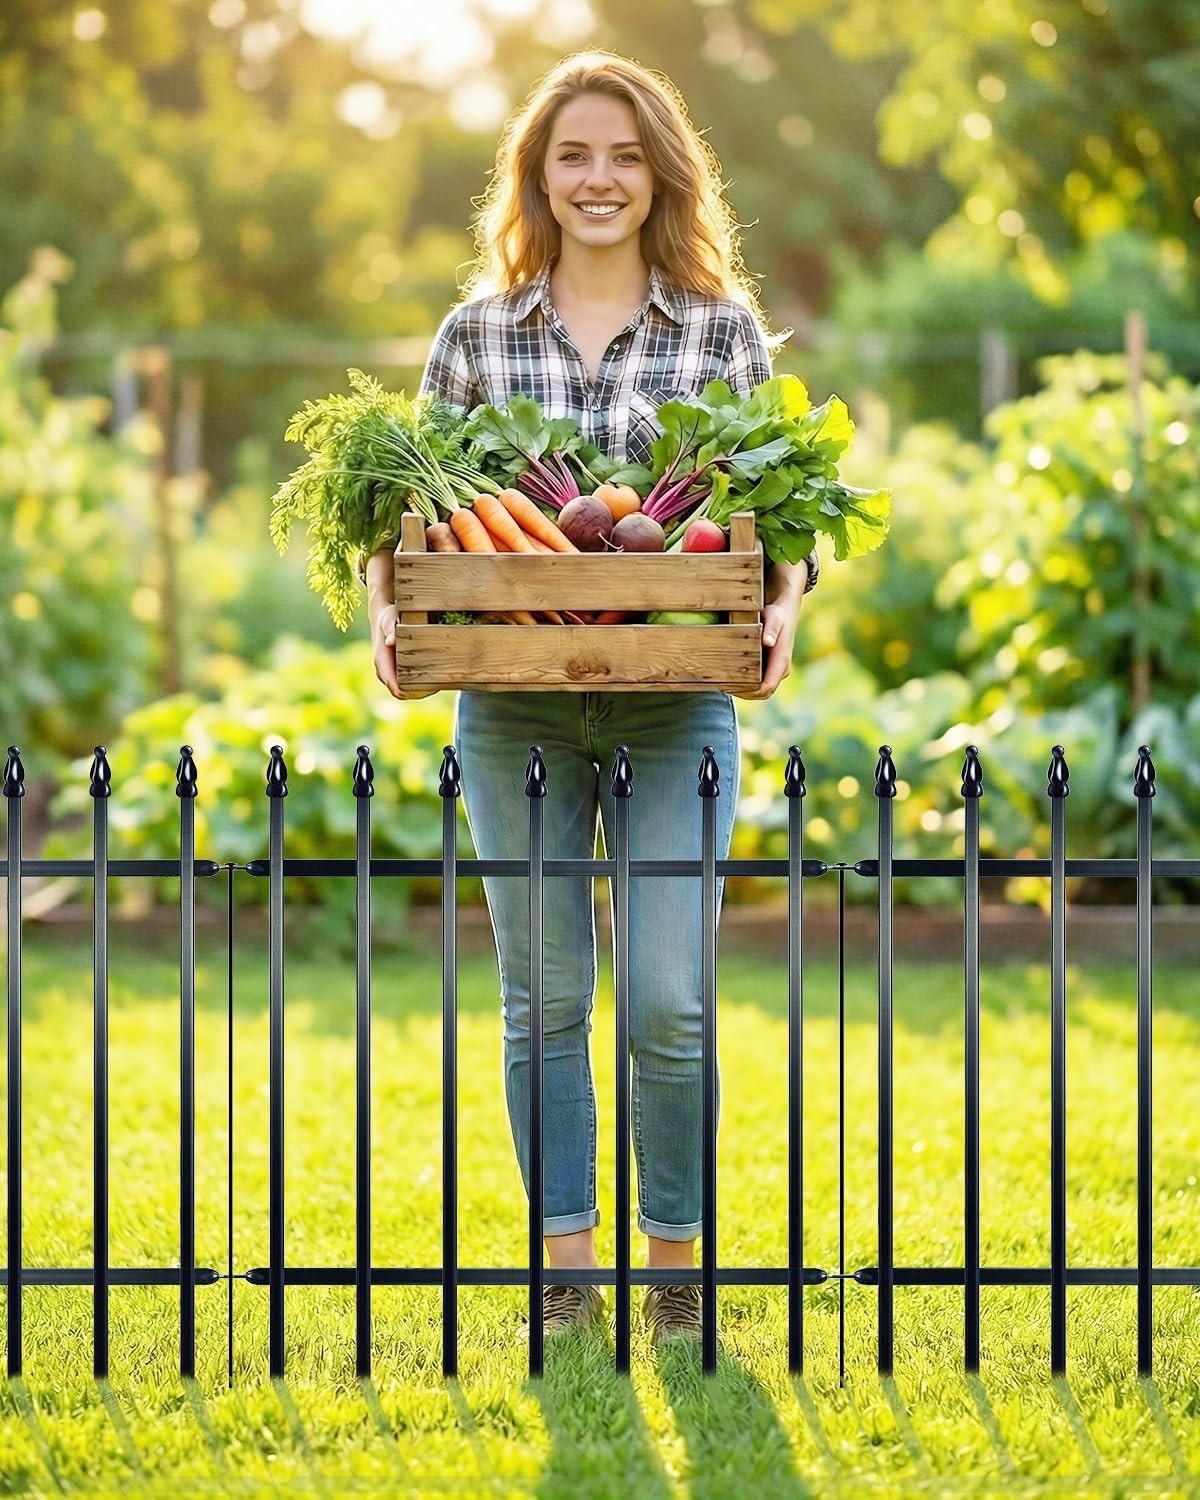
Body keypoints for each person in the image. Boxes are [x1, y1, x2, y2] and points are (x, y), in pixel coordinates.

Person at [363, 50, 818, 1347]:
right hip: (513, 698)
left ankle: (675, 1273)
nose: (600, 178)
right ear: (538, 176)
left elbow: (775, 517)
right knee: (547, 995)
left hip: (678, 700)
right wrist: (390, 603)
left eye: (624, 154)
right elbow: (396, 511)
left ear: (660, 172)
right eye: (574, 155)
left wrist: (781, 602)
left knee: (668, 997)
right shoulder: (477, 336)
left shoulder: (720, 330)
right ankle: (567, 1272)